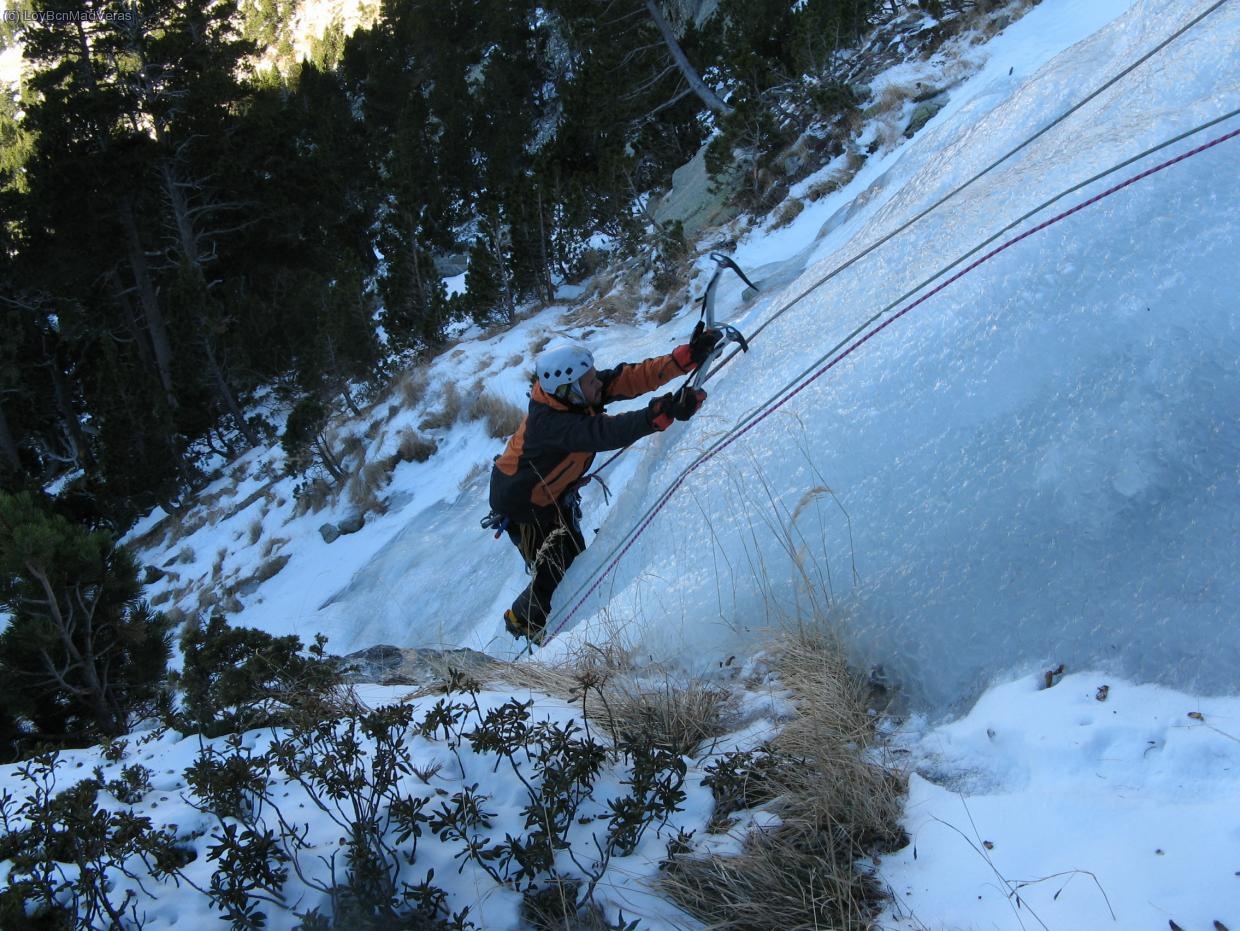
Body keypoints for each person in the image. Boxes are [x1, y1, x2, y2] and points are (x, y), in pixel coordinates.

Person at [489, 324, 722, 644]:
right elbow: (605, 432)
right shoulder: (553, 423)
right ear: (569, 388)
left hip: (550, 490)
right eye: (591, 381)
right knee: (558, 561)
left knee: (569, 552)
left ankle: (550, 617)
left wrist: (682, 360)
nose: (599, 382)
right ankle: (529, 623)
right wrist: (661, 412)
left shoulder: (572, 394)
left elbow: (628, 379)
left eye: (595, 376)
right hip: (521, 503)